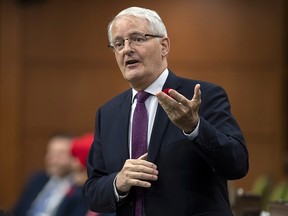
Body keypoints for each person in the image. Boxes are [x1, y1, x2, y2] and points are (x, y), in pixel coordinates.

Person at [83, 6, 249, 216]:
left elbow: (237, 165)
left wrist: (194, 127)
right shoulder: (107, 113)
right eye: (118, 43)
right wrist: (118, 182)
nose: (127, 49)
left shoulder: (202, 96)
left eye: (137, 38)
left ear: (164, 46)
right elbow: (92, 192)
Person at [12, 133, 74, 216]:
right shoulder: (37, 179)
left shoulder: (79, 188)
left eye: (61, 154)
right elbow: (17, 211)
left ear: (74, 157)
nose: (54, 159)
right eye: (51, 153)